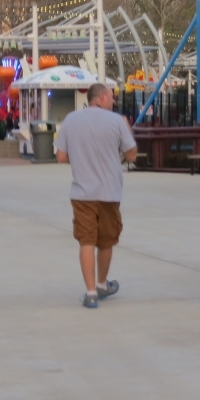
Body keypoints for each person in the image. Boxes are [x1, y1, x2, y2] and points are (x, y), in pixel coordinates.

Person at [55, 83, 137, 308]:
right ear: (101, 97)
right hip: (110, 192)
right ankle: (102, 283)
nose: (113, 101)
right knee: (106, 241)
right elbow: (132, 155)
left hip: (82, 192)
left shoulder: (71, 119)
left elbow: (61, 156)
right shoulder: (117, 121)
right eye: (111, 97)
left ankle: (90, 292)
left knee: (86, 241)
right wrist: (126, 132)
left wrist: (82, 159)